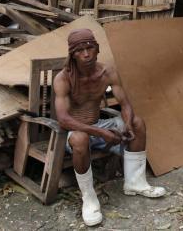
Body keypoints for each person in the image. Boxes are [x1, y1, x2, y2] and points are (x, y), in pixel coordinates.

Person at [53, 28, 166, 227]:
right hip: (75, 132)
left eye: (90, 48)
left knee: (138, 122)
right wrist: (100, 132)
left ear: (97, 49)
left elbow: (125, 104)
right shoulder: (63, 78)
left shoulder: (107, 72)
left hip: (100, 125)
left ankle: (135, 183)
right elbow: (63, 119)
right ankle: (89, 200)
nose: (86, 54)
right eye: (80, 51)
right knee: (80, 138)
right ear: (72, 54)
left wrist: (128, 124)